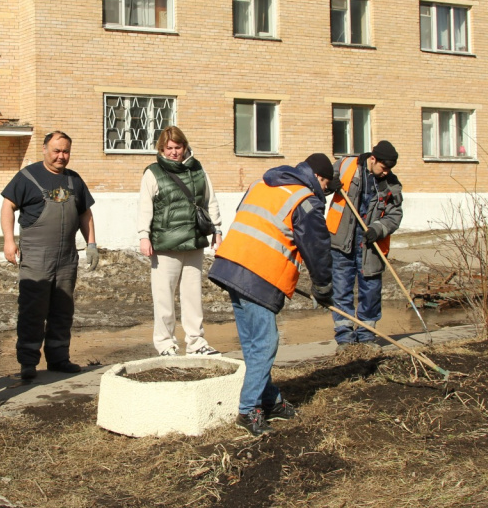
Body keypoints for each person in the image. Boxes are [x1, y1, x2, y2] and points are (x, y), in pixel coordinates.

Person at [209, 154, 340, 436]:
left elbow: (251, 219)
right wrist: (324, 288)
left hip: (231, 264)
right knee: (266, 343)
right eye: (326, 187)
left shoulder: (263, 182)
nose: (324, 194)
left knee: (254, 343)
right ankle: (248, 410)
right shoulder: (305, 200)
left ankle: (270, 399)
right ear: (319, 178)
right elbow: (317, 251)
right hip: (259, 275)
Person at [1, 131, 99, 380]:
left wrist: (91, 244)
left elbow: (85, 214)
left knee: (63, 309)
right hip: (36, 257)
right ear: (44, 149)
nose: (61, 156)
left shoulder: (73, 180)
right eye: (56, 151)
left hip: (66, 257)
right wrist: (9, 241)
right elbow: (7, 207)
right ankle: (28, 362)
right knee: (33, 310)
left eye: (65, 151)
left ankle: (58, 358)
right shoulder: (27, 177)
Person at [138, 126, 223, 357]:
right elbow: (145, 207)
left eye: (178, 147)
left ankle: (197, 343)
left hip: (194, 240)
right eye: (169, 148)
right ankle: (165, 344)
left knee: (193, 295)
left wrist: (217, 230)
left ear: (185, 146)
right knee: (164, 296)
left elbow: (210, 200)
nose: (174, 152)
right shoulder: (153, 173)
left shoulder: (198, 169)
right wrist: (143, 235)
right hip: (165, 244)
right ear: (161, 149)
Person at [326, 140, 403, 346]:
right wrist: (329, 185)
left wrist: (378, 229)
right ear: (372, 159)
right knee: (342, 289)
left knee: (370, 290)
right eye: (383, 167)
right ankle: (344, 337)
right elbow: (320, 183)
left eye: (389, 169)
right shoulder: (345, 166)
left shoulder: (391, 184)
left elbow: (394, 215)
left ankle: (367, 334)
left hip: (371, 245)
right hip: (342, 241)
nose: (386, 172)